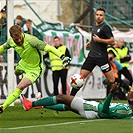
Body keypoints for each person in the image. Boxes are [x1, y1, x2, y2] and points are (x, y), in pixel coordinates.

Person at [0, 25, 71, 114]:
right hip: (23, 63)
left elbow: (48, 48)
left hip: (34, 69)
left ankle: (3, 106)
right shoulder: (10, 41)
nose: (18, 41)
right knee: (16, 73)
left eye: (19, 38)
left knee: (20, 86)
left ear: (22, 34)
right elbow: (3, 47)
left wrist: (62, 56)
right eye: (16, 39)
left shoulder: (31, 40)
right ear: (12, 37)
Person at [21, 83, 133, 119]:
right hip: (92, 110)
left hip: (91, 109)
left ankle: (30, 104)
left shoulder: (125, 112)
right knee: (68, 106)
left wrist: (111, 94)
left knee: (62, 97)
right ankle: (42, 105)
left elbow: (105, 111)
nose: (130, 92)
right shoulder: (128, 109)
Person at [70, 7, 115, 96]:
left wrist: (100, 40)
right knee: (80, 78)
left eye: (101, 15)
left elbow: (112, 41)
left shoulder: (105, 27)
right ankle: (70, 98)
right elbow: (96, 37)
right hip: (91, 57)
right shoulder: (94, 26)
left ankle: (127, 88)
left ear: (104, 17)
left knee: (111, 80)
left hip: (101, 57)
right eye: (97, 15)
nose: (98, 17)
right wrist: (91, 42)